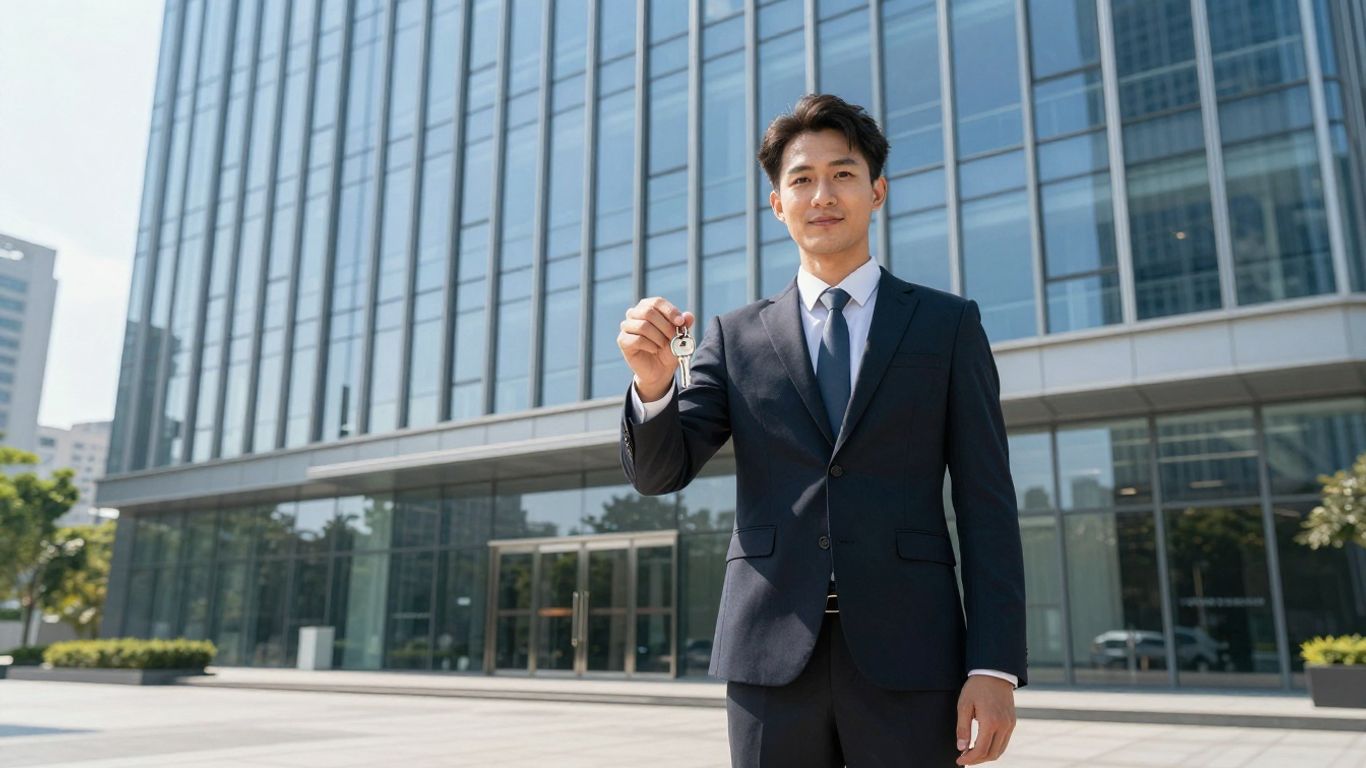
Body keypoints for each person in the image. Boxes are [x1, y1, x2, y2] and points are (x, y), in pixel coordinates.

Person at [616, 92, 1027, 767]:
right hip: (768, 658)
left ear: (877, 191)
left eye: (843, 174)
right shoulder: (734, 337)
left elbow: (988, 502)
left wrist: (994, 665)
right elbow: (660, 474)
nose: (822, 195)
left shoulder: (947, 325)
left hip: (913, 654)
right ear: (777, 204)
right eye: (801, 179)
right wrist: (655, 385)